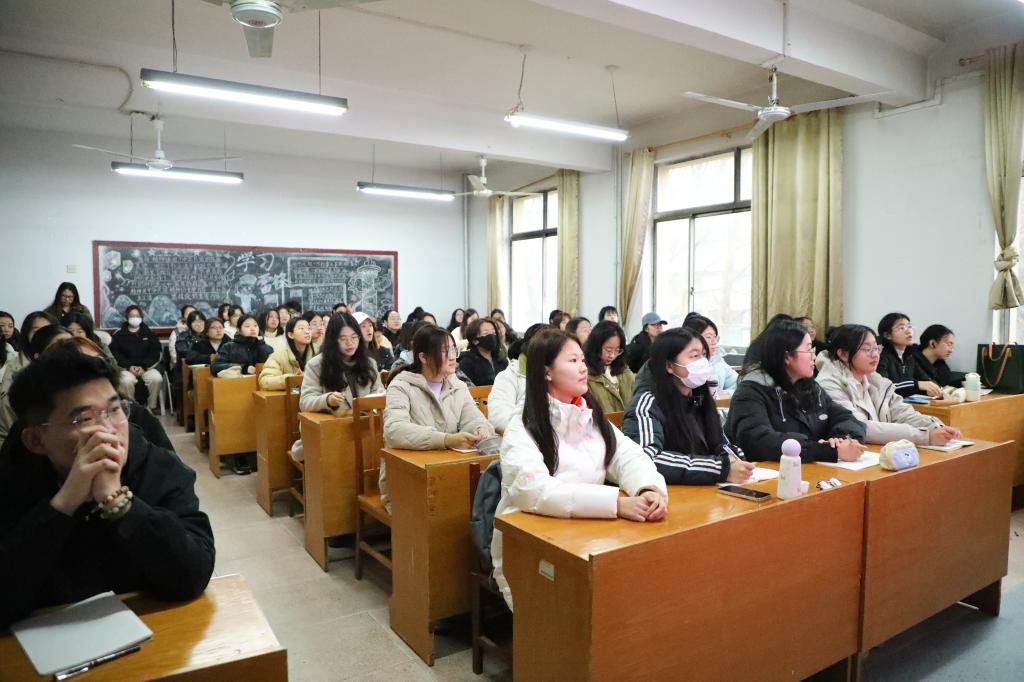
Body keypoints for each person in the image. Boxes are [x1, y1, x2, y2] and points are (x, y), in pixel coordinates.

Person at [0, 349, 214, 627]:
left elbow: (192, 575)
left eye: (114, 410)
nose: (110, 431)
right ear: (36, 441)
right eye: (84, 419)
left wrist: (117, 502)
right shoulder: (13, 478)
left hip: (151, 629)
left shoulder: (156, 465)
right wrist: (64, 503)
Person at [490, 328, 668, 609]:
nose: (584, 368)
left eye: (582, 360)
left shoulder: (588, 414)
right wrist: (615, 504)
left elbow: (628, 455)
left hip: (587, 529)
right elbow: (534, 490)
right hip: (532, 540)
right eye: (573, 361)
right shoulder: (523, 425)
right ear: (547, 371)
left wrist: (647, 488)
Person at [383, 325, 492, 511]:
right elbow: (394, 430)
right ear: (423, 357)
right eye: (444, 351)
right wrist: (446, 440)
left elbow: (473, 418)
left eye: (453, 349)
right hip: (408, 478)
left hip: (448, 471)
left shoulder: (457, 385)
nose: (452, 357)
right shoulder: (401, 386)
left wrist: (480, 430)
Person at [623, 329, 755, 484]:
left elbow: (720, 443)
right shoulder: (647, 403)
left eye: (703, 355)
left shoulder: (699, 398)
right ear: (669, 366)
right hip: (668, 492)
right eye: (694, 356)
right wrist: (721, 469)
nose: (702, 362)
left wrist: (733, 458)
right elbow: (648, 458)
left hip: (704, 489)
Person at [725, 320, 867, 462]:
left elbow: (846, 418)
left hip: (810, 468)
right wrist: (825, 451)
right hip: (770, 472)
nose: (814, 356)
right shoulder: (751, 392)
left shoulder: (811, 387)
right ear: (786, 356)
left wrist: (842, 440)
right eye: (808, 350)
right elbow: (757, 442)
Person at [816, 325, 961, 446]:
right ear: (843, 354)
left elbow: (902, 413)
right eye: (867, 349)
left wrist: (935, 427)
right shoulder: (828, 383)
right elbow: (859, 426)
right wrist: (925, 436)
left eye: (876, 348)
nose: (875, 355)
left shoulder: (875, 380)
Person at [299, 313, 384, 414]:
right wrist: (327, 400)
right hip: (334, 422)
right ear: (333, 340)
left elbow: (377, 391)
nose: (350, 343)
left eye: (354, 337)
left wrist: (379, 395)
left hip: (365, 421)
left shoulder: (369, 363)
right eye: (343, 339)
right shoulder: (316, 365)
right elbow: (305, 402)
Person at [488, 323, 549, 435]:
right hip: (523, 438)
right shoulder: (509, 376)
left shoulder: (563, 374)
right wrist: (536, 433)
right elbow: (499, 418)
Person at [109, 305, 163, 410]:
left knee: (157, 378)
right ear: (127, 317)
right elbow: (115, 354)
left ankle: (151, 407)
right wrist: (129, 366)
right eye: (132, 316)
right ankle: (132, 408)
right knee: (125, 381)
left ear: (141, 317)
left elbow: (155, 353)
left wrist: (144, 366)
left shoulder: (150, 334)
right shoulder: (119, 335)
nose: (135, 318)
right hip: (126, 369)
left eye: (137, 316)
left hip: (147, 368)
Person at [876, 313, 941, 398]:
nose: (908, 331)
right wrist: (917, 385)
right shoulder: (880, 356)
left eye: (909, 326)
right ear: (887, 335)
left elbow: (926, 379)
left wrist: (936, 389)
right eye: (902, 328)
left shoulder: (909, 356)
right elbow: (885, 386)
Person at [584, 320, 636, 413]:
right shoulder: (586, 373)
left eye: (617, 350)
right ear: (595, 347)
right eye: (608, 350)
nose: (612, 355)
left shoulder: (625, 371)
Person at [682, 315, 737, 394]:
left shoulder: (717, 360)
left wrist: (723, 394)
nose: (714, 342)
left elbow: (739, 385)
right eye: (708, 337)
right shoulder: (685, 363)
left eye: (715, 337)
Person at [260, 317, 313, 390]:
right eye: (301, 328)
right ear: (291, 335)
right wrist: (291, 379)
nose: (307, 332)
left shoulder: (317, 355)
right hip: (289, 396)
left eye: (309, 328)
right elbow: (265, 381)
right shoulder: (277, 356)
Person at [458, 317, 508, 387]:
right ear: (475, 341)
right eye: (485, 333)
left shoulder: (502, 360)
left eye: (493, 333)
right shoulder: (466, 363)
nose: (491, 336)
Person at [167, 305, 196, 370]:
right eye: (188, 314)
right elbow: (174, 357)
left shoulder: (201, 330)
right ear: (183, 318)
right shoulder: (176, 333)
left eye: (194, 313)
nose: (192, 316)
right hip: (181, 367)